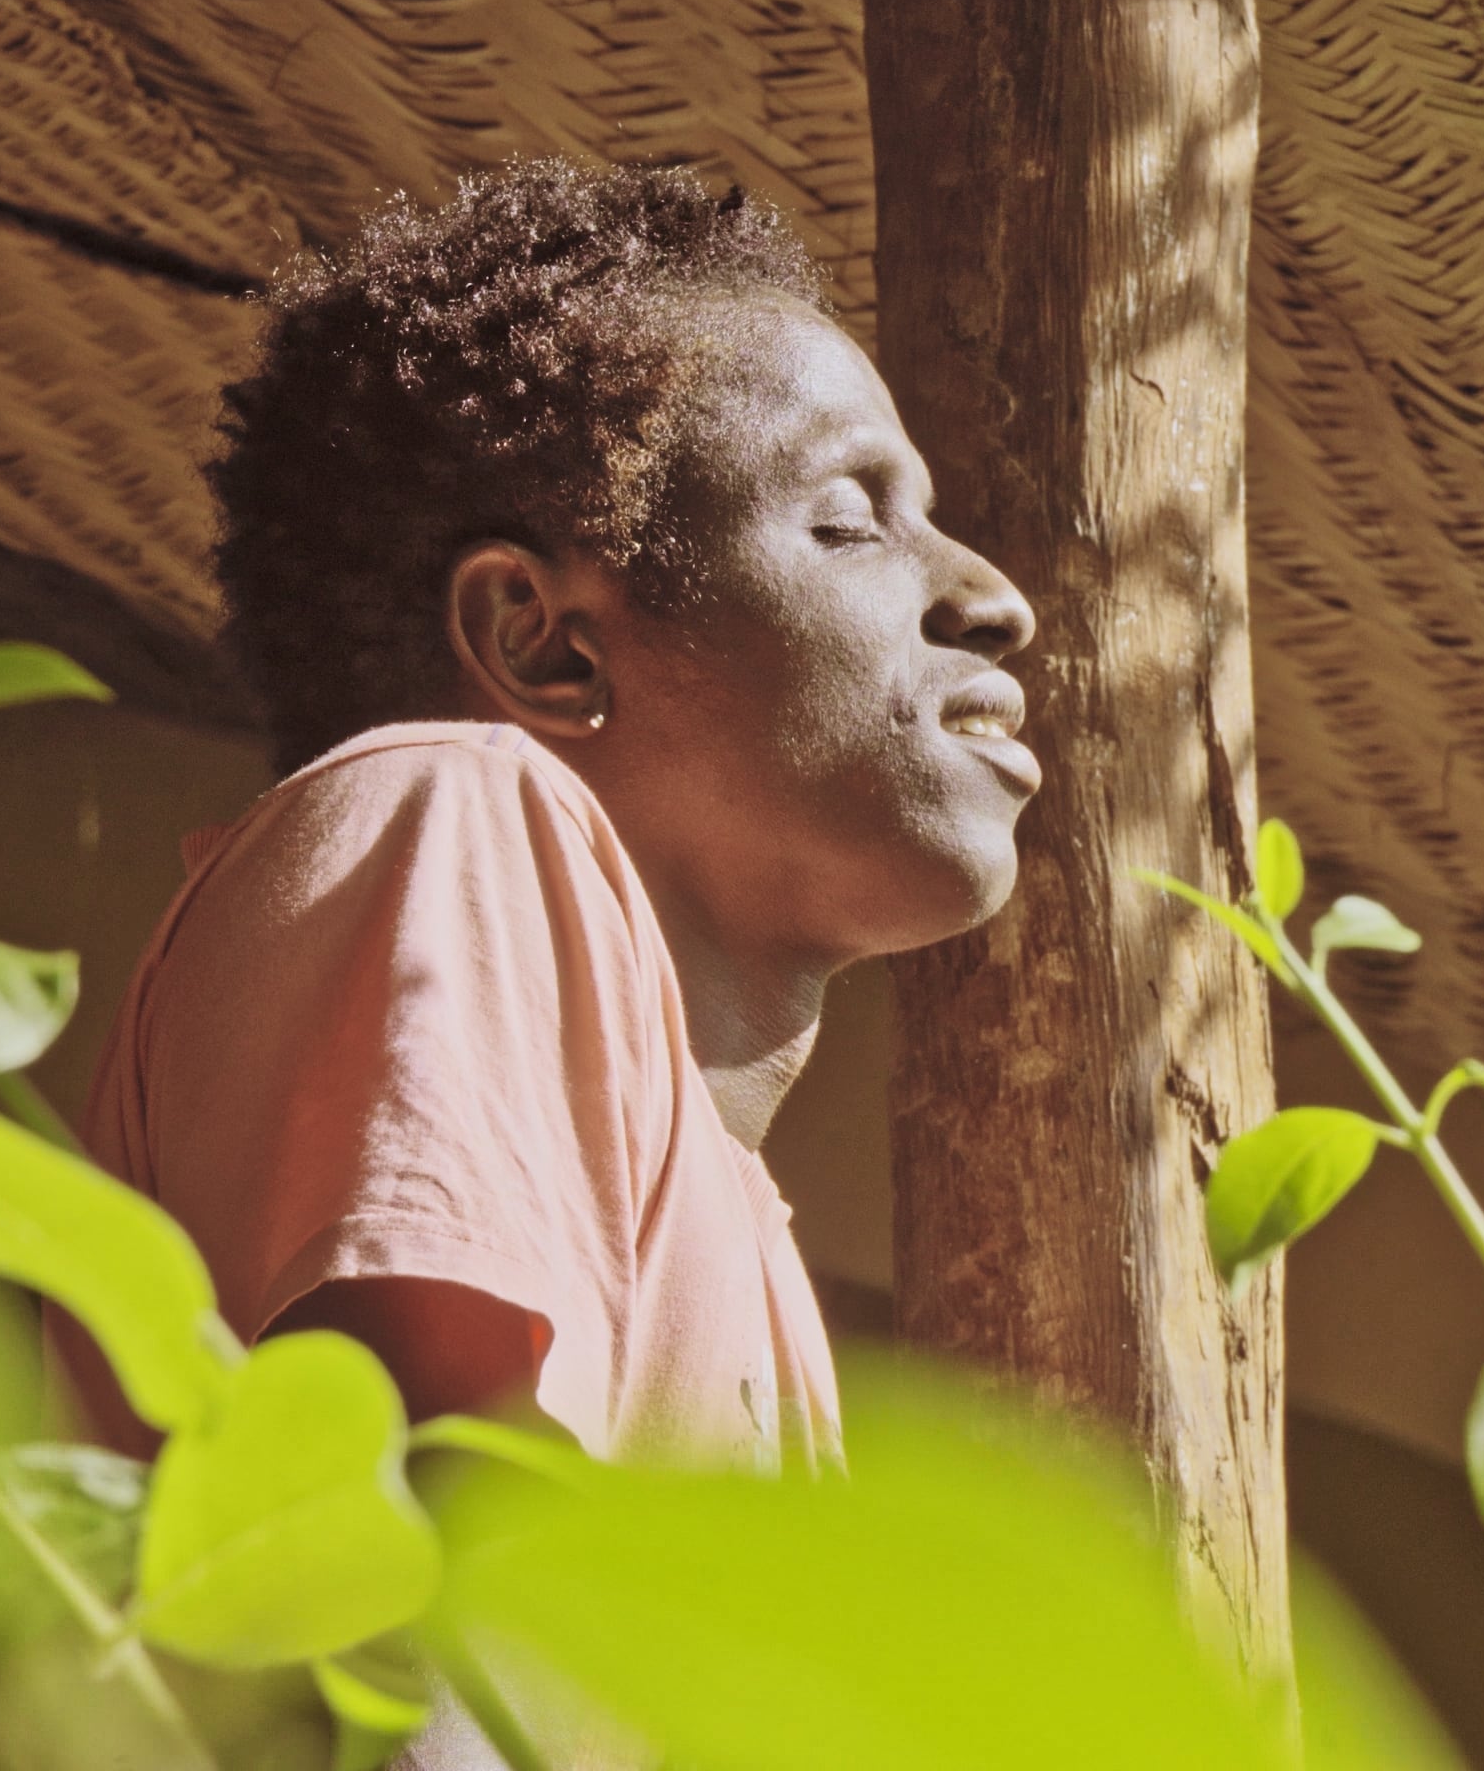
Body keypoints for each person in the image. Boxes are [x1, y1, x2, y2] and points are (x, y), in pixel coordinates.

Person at [59, 157, 1037, 1485]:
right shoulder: (452, 813)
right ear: (544, 646)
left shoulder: (740, 1226)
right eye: (851, 519)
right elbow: (425, 1598)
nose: (992, 599)